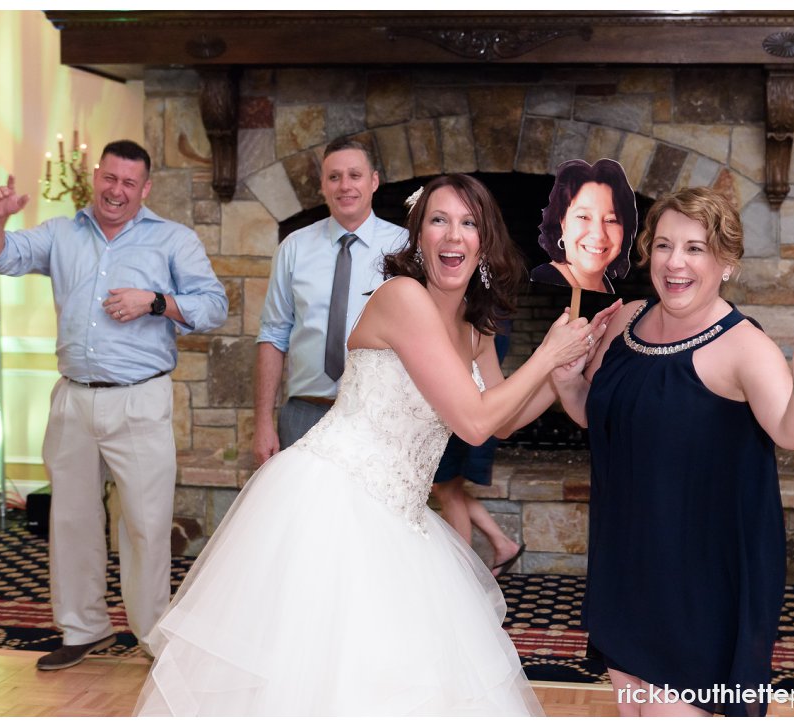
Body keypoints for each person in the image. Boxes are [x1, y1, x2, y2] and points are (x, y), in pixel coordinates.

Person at [134, 174, 615, 716]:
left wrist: (562, 374)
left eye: (468, 222)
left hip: (402, 517)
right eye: (439, 220)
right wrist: (545, 357)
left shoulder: (475, 326)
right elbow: (474, 424)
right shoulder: (402, 297)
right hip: (336, 501)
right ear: (419, 235)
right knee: (322, 679)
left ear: (483, 241)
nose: (452, 235)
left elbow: (501, 418)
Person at [551, 187, 794, 716]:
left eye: (695, 248)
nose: (675, 262)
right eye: (664, 246)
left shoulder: (743, 345)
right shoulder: (626, 322)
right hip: (628, 559)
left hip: (701, 577)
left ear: (726, 262)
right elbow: (613, 424)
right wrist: (569, 385)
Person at [0, 140, 229, 670]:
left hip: (140, 399)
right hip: (72, 401)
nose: (116, 191)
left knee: (145, 523)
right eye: (109, 178)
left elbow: (215, 307)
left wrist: (154, 301)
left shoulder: (173, 239)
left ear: (145, 189)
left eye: (128, 183)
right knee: (71, 520)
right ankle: (82, 629)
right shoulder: (62, 233)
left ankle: (153, 636)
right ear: (96, 176)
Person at [252, 137, 407, 466]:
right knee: (301, 516)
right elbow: (273, 335)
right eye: (334, 177)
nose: (344, 186)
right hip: (303, 414)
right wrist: (263, 422)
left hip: (377, 417)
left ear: (374, 181)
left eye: (355, 175)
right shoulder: (293, 248)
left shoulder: (405, 248)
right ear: (322, 185)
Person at [431, 324, 524, 577]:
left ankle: (463, 576)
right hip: (462, 410)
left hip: (462, 411)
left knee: (447, 490)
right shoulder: (491, 319)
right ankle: (503, 544)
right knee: (445, 488)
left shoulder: (478, 324)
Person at [529, 158, 636, 293]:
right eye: (583, 217)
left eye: (611, 220)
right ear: (562, 222)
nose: (598, 234)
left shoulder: (604, 285)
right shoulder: (541, 282)